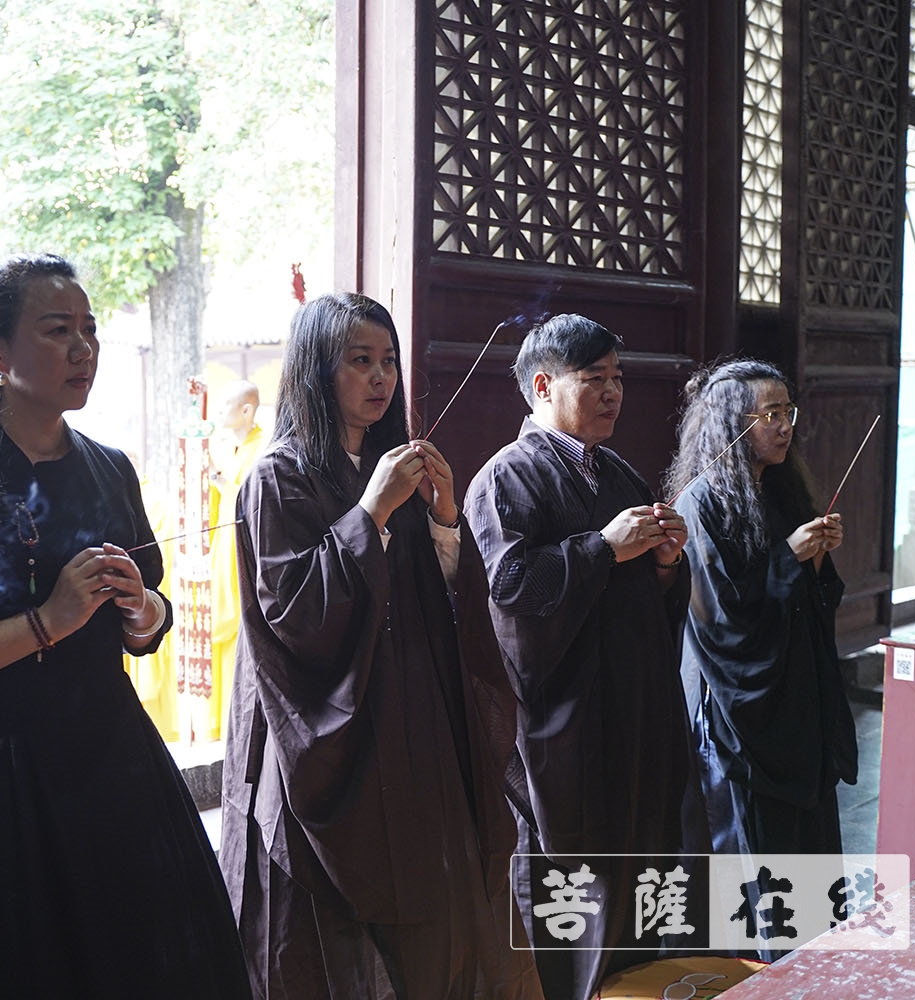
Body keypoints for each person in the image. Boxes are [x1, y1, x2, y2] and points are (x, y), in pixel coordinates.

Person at [0, 254, 252, 999]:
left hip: (110, 746)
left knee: (142, 959)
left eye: (89, 330)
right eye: (57, 331)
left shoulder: (108, 468)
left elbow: (150, 610)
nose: (83, 349)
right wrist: (47, 621)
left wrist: (142, 611)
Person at [220, 292, 541, 999]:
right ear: (314, 371)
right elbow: (295, 614)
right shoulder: (278, 478)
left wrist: (447, 519)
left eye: (388, 361)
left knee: (441, 920)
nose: (380, 378)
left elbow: (450, 601)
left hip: (415, 723)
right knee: (334, 945)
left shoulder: (397, 466)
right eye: (358, 361)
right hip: (328, 736)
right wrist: (371, 512)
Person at [462, 314, 708, 1000]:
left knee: (636, 873)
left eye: (618, 377)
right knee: (574, 887)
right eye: (593, 378)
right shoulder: (505, 478)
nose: (613, 392)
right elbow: (506, 587)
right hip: (562, 728)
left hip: (630, 717)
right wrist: (603, 547)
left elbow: (650, 594)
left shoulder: (620, 471)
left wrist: (663, 565)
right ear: (542, 386)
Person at [667, 358, 857, 860]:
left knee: (808, 851)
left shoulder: (782, 491)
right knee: (753, 852)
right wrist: (788, 557)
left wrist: (815, 559)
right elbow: (720, 619)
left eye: (787, 411)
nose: (785, 425)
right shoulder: (700, 503)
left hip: (794, 698)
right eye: (770, 414)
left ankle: (813, 942)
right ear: (734, 424)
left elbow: (813, 601)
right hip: (737, 710)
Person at [207, 379, 267, 742]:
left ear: (246, 409)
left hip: (243, 553)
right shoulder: (234, 450)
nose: (218, 412)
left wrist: (223, 482)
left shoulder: (261, 449)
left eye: (224, 403)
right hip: (223, 549)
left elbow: (249, 501)